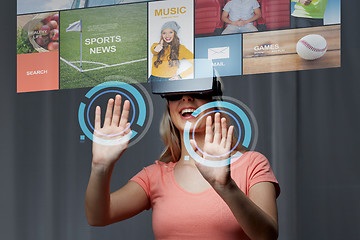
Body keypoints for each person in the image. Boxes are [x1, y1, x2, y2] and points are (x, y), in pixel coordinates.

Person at [85, 87, 281, 239]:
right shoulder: (155, 175)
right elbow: (98, 216)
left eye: (198, 91)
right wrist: (100, 167)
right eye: (175, 94)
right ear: (169, 110)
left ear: (215, 101)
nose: (186, 98)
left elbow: (267, 235)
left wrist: (226, 186)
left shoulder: (252, 164)